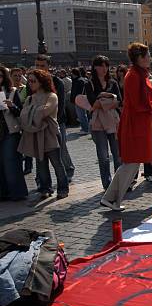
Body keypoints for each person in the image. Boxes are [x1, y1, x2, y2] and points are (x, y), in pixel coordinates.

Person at [101, 43, 152, 211]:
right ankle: (110, 197)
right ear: (139, 58)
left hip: (144, 125)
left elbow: (142, 103)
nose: (150, 58)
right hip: (136, 126)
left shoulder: (139, 74)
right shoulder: (133, 76)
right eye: (147, 56)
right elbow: (137, 103)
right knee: (132, 163)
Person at [18, 69, 69, 200]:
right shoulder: (30, 98)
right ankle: (45, 188)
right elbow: (23, 115)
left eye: (33, 81)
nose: (30, 83)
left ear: (41, 81)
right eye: (29, 81)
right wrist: (33, 112)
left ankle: (63, 188)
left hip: (50, 134)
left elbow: (45, 111)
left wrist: (31, 112)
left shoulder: (52, 95)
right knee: (41, 164)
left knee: (57, 163)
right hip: (36, 133)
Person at [34, 54, 75, 182]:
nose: (39, 68)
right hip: (39, 122)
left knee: (60, 148)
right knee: (40, 150)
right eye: (37, 65)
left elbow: (60, 105)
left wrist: (51, 119)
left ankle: (68, 170)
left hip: (56, 122)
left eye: (42, 66)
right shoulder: (33, 82)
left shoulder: (57, 82)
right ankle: (41, 178)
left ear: (49, 67)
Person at [85, 55, 122, 190]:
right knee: (103, 156)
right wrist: (108, 98)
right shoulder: (89, 83)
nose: (104, 68)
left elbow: (119, 102)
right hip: (98, 122)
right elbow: (93, 104)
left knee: (117, 154)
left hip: (113, 120)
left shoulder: (113, 83)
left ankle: (120, 181)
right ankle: (107, 184)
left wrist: (101, 97)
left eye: (106, 65)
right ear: (95, 67)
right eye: (101, 65)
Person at [0, 65, 28, 201]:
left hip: (10, 131)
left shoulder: (12, 91)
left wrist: (12, 106)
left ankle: (17, 192)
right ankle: (3, 193)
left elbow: (20, 112)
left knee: (10, 161)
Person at [70, 68, 89, 135]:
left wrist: (75, 98)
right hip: (80, 99)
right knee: (82, 114)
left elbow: (77, 91)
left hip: (79, 99)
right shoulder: (81, 79)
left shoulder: (78, 80)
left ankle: (85, 129)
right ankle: (85, 127)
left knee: (81, 115)